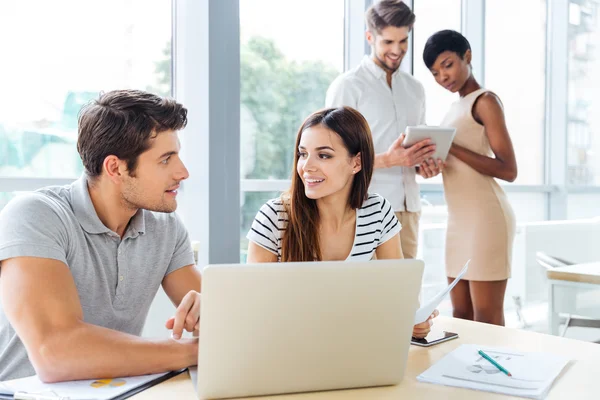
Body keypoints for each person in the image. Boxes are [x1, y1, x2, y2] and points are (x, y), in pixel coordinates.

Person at [0, 90, 201, 381]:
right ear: (115, 168)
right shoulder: (35, 216)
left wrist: (211, 313)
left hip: (113, 391)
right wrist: (190, 352)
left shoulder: (165, 227)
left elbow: (221, 322)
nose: (183, 172)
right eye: (166, 160)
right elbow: (55, 353)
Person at [246, 106, 437, 338]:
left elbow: (398, 295)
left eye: (324, 155)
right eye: (303, 154)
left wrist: (414, 320)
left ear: (356, 163)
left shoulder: (377, 212)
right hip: (290, 347)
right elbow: (255, 312)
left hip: (356, 344)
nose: (307, 166)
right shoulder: (274, 218)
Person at [326, 0, 443, 260]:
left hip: (408, 210)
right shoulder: (348, 86)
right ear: (370, 37)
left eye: (403, 41)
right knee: (365, 297)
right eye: (388, 42)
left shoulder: (415, 90)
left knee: (405, 296)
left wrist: (423, 164)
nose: (397, 50)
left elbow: (412, 153)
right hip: (363, 209)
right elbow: (332, 157)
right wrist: (388, 160)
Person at [422, 30, 517, 326]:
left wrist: (453, 147)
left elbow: (508, 169)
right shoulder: (453, 108)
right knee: (461, 315)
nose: (442, 77)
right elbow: (454, 159)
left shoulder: (485, 101)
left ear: (468, 56)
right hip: (458, 221)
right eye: (435, 73)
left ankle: (501, 372)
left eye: (447, 65)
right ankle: (463, 373)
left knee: (486, 318)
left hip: (486, 219)